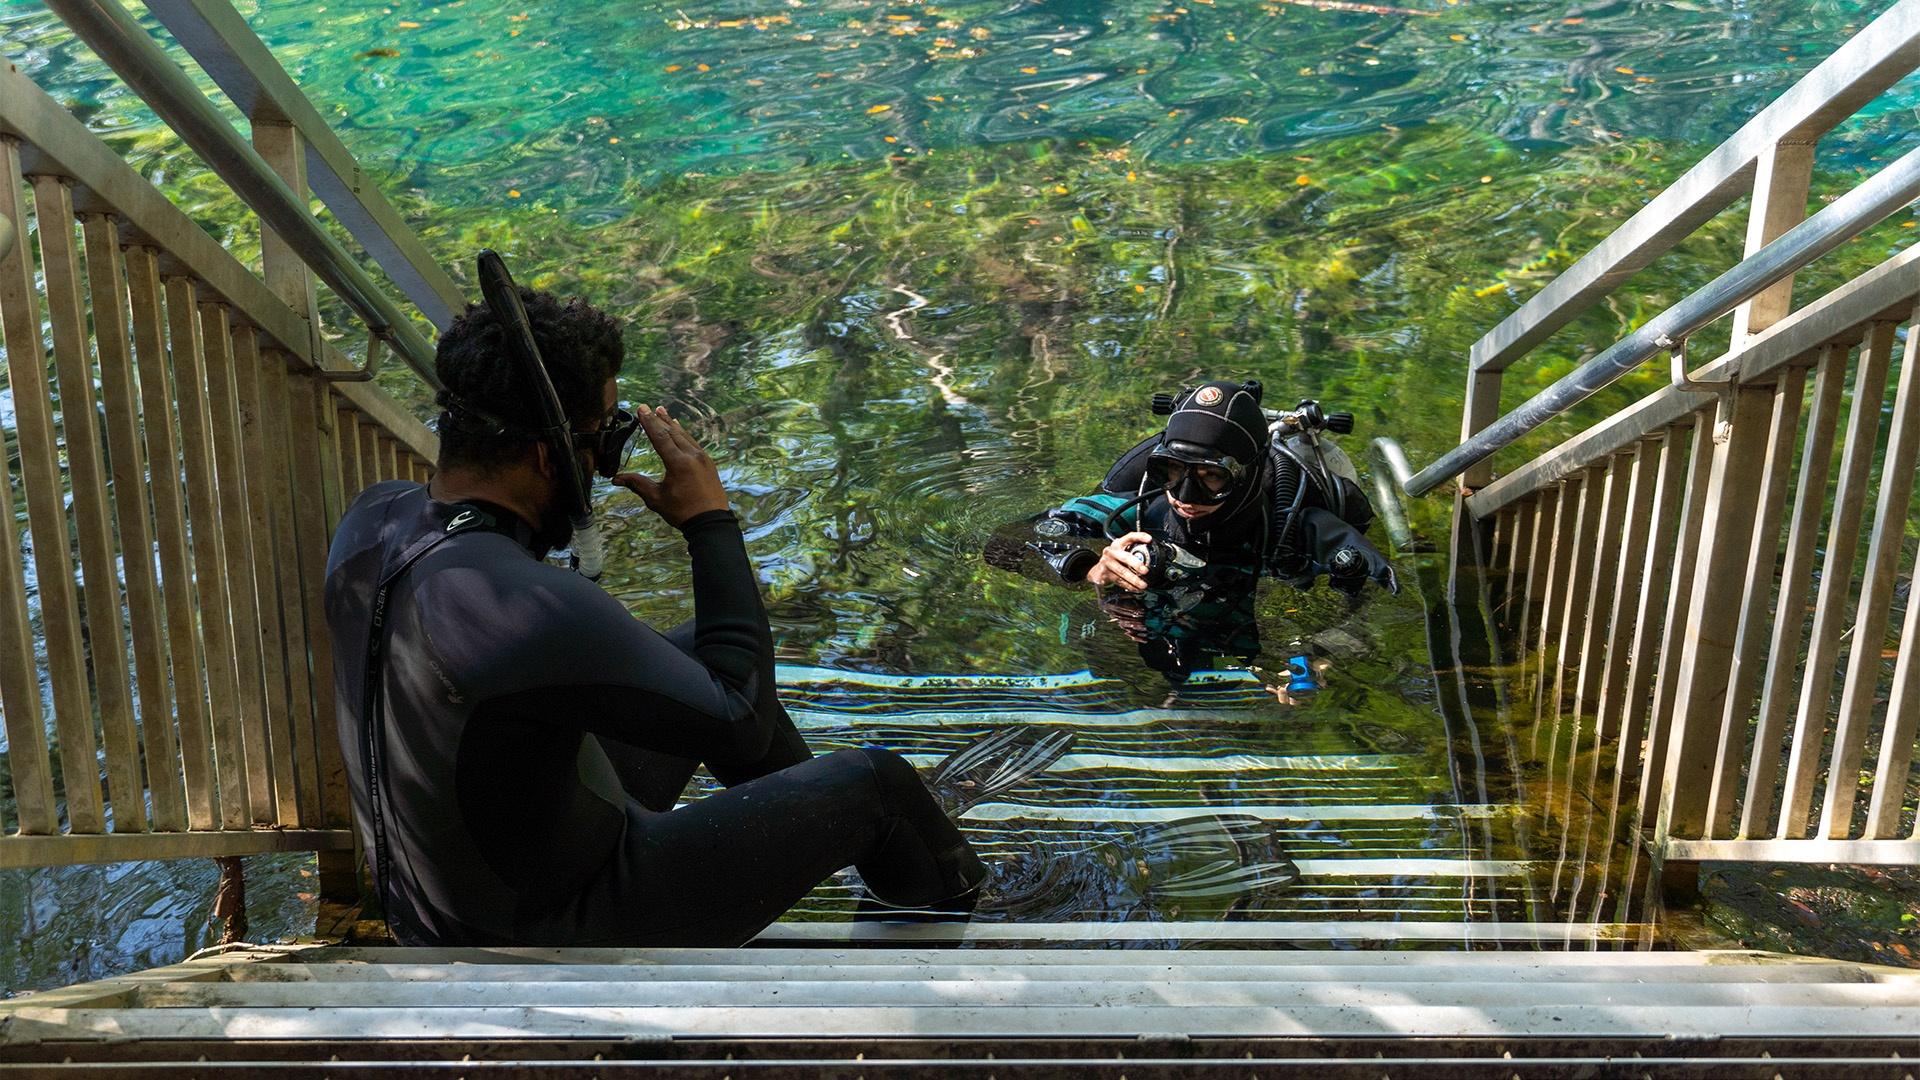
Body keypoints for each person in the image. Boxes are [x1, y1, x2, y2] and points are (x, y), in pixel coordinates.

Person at [323, 285, 992, 947]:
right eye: (609, 437)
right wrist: (710, 522)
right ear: (544, 454)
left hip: (444, 898)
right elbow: (740, 722)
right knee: (877, 786)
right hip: (544, 933)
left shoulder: (376, 516)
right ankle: (921, 958)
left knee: (703, 649)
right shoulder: (522, 608)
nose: (612, 462)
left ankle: (820, 835)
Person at [989, 378, 1396, 598]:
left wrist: (1319, 658)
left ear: (1248, 474)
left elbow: (1383, 594)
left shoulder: (1299, 526)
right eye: (1172, 471)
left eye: (1212, 477)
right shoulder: (1139, 509)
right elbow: (1001, 544)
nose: (1184, 498)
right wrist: (1087, 567)